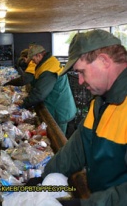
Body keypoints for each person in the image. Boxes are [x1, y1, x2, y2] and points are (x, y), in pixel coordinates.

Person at [29, 29, 127, 206]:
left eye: (82, 72)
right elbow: (76, 147)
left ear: (104, 61)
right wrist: (43, 177)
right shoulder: (100, 102)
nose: (80, 81)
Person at [19, 44, 76, 134]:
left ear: (39, 55)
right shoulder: (47, 63)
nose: (33, 62)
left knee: (58, 137)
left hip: (59, 109)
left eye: (33, 60)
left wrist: (23, 105)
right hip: (57, 105)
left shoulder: (49, 69)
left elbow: (39, 93)